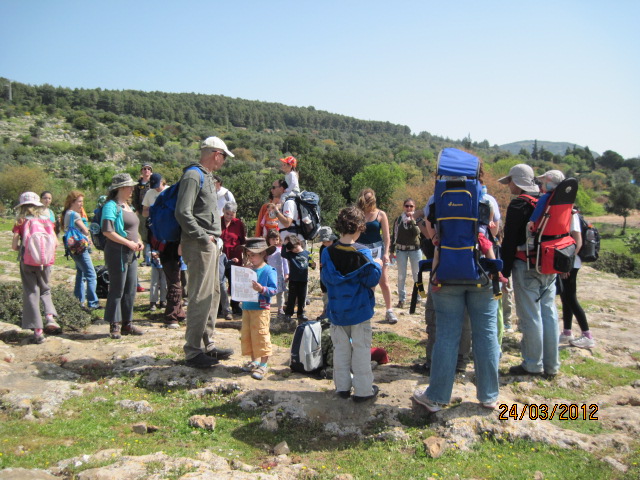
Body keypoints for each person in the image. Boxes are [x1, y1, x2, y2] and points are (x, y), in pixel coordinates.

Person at [175, 136, 235, 368]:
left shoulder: (205, 175)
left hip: (209, 244)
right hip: (200, 244)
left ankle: (207, 345)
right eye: (223, 157)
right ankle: (192, 351)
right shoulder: (193, 175)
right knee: (200, 295)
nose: (223, 162)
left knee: (213, 294)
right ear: (216, 154)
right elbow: (183, 212)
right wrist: (204, 236)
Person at [499, 164, 559, 378]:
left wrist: (503, 272)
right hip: (549, 266)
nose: (509, 186)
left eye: (510, 182)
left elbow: (509, 242)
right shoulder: (548, 201)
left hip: (526, 266)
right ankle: (552, 366)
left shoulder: (519, 206)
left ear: (517, 182)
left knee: (531, 317)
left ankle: (533, 365)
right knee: (549, 314)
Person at [321, 206, 382, 402]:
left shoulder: (328, 252)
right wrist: (378, 265)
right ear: (360, 227)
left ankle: (342, 388)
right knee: (362, 350)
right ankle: (364, 390)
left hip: (338, 310)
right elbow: (371, 280)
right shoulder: (363, 252)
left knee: (341, 351)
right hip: (360, 311)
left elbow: (325, 280)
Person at [12, 192, 60, 343]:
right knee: (45, 289)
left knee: (31, 292)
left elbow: (14, 246)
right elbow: (56, 243)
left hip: (27, 261)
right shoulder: (46, 220)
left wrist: (24, 247)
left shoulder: (21, 221)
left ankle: (38, 331)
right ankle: (50, 317)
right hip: (45, 262)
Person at [101, 173, 145, 339]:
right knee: (117, 288)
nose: (132, 189)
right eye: (129, 186)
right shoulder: (110, 206)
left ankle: (127, 323)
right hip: (117, 252)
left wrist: (139, 241)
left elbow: (134, 230)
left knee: (130, 288)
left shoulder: (129, 206)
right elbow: (107, 231)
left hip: (131, 252)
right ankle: (115, 324)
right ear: (120, 188)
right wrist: (128, 243)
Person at [356, 188, 397, 324]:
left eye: (369, 198)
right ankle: (366, 308)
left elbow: (386, 236)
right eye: (365, 198)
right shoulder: (357, 214)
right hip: (361, 249)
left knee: (383, 280)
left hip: (378, 249)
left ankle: (389, 310)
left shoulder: (380, 214)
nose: (367, 201)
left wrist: (386, 253)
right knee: (364, 281)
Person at [239, 237, 278, 380]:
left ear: (263, 254)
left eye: (253, 255)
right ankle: (254, 360)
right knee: (248, 334)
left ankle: (264, 364)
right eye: (248, 255)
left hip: (261, 308)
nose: (250, 258)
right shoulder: (248, 270)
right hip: (247, 306)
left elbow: (274, 290)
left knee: (261, 334)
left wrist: (261, 289)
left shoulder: (269, 270)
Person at [561, 209, 595, 348]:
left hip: (571, 264)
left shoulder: (571, 214)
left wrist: (567, 265)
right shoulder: (567, 212)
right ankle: (567, 332)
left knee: (571, 298)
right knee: (565, 297)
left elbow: (578, 241)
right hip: (568, 262)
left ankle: (587, 336)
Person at [62, 190, 100, 310]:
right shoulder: (75, 215)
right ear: (72, 202)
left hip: (72, 247)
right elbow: (85, 230)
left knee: (81, 273)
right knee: (91, 274)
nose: (81, 204)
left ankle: (78, 300)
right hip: (80, 247)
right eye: (79, 201)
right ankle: (93, 302)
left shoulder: (66, 213)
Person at [142, 173, 168, 312]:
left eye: (158, 186)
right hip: (154, 234)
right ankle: (153, 301)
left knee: (164, 275)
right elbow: (144, 212)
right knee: (154, 276)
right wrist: (152, 210)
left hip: (167, 237)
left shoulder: (169, 191)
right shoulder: (149, 193)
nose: (156, 189)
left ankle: (163, 300)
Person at [390, 198, 422, 309]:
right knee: (401, 275)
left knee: (417, 275)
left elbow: (417, 232)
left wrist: (412, 221)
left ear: (414, 207)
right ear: (403, 207)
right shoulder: (398, 220)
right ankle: (401, 299)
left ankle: (418, 297)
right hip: (401, 250)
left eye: (411, 206)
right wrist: (391, 251)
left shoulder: (418, 219)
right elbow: (394, 235)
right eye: (407, 206)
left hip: (415, 249)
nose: (409, 208)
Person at [220, 201, 246, 317]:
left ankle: (235, 305)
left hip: (234, 257)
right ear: (223, 211)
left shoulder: (239, 224)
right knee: (220, 282)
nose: (229, 216)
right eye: (227, 213)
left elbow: (243, 241)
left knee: (234, 282)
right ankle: (221, 306)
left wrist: (244, 257)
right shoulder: (217, 222)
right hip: (220, 257)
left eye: (232, 214)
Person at [281, 235, 310, 322]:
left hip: (303, 280)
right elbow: (283, 254)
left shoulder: (307, 253)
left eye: (294, 248)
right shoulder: (290, 254)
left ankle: (300, 313)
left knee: (302, 298)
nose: (294, 250)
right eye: (292, 249)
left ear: (299, 243)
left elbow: (311, 262)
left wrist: (313, 264)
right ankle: (288, 314)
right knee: (291, 298)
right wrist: (284, 244)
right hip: (293, 280)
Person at [132, 163, 153, 268]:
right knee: (144, 236)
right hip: (141, 213)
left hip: (153, 213)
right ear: (142, 171)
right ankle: (146, 258)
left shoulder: (153, 183)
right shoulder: (137, 185)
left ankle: (154, 257)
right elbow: (135, 199)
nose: (146, 170)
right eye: (144, 169)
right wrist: (137, 210)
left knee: (154, 235)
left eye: (149, 169)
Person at [315, 226, 338, 320]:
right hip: (325, 277)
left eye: (328, 241)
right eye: (324, 241)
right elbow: (321, 267)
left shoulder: (338, 247)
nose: (326, 243)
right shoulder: (322, 249)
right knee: (326, 297)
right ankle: (325, 312)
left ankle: (334, 314)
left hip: (336, 277)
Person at [265, 230, 288, 317]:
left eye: (276, 239)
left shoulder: (281, 250)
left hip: (279, 275)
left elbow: (285, 263)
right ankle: (267, 308)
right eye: (273, 239)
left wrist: (286, 274)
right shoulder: (266, 251)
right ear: (269, 240)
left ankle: (280, 309)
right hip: (269, 276)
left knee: (280, 293)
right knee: (268, 293)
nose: (275, 241)